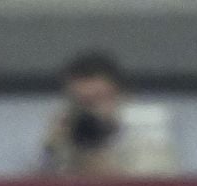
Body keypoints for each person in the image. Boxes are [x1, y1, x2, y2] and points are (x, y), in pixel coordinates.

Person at [40, 51, 177, 178]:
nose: (91, 111)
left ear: (124, 97)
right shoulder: (67, 131)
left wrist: (96, 152)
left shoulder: (146, 129)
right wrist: (52, 150)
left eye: (99, 100)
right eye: (82, 103)